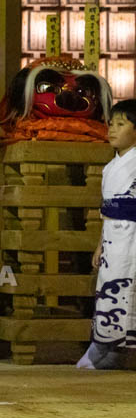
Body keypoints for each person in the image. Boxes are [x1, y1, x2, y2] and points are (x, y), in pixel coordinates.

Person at [77, 99, 136, 370]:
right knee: (109, 288)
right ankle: (110, 347)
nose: (112, 129)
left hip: (133, 235)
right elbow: (107, 211)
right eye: (111, 123)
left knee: (126, 290)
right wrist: (100, 245)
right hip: (114, 234)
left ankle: (104, 348)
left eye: (121, 124)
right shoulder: (111, 166)